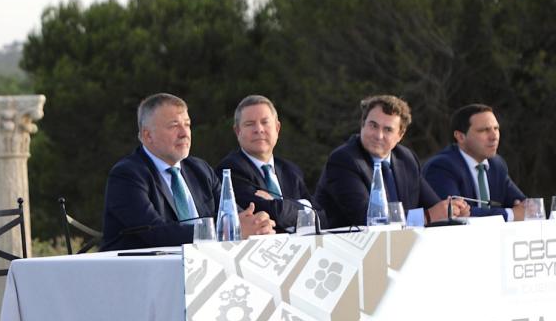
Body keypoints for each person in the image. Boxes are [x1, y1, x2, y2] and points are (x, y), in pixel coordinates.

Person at [100, 93, 275, 251]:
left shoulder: (200, 170)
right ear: (148, 136)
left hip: (204, 269)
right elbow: (156, 234)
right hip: (144, 277)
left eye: (187, 125)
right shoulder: (127, 175)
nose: (185, 133)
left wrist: (257, 224)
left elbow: (234, 216)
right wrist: (227, 231)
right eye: (174, 126)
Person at [314, 94, 469, 228]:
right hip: (349, 252)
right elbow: (367, 218)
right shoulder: (344, 160)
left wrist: (452, 210)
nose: (378, 135)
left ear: (400, 135)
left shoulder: (406, 159)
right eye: (373, 126)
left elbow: (433, 205)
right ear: (362, 124)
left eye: (388, 130)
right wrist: (427, 216)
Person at [217, 95, 321, 233]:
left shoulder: (290, 170)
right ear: (237, 131)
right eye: (249, 124)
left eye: (265, 122)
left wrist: (277, 203)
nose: (259, 129)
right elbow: (269, 213)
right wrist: (305, 207)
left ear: (277, 128)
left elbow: (322, 217)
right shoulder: (230, 170)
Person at [423, 104, 525, 221]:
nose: (494, 136)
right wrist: (510, 214)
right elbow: (454, 213)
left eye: (496, 128)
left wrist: (525, 208)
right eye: (484, 130)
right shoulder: (441, 166)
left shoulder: (497, 164)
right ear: (460, 137)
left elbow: (522, 204)